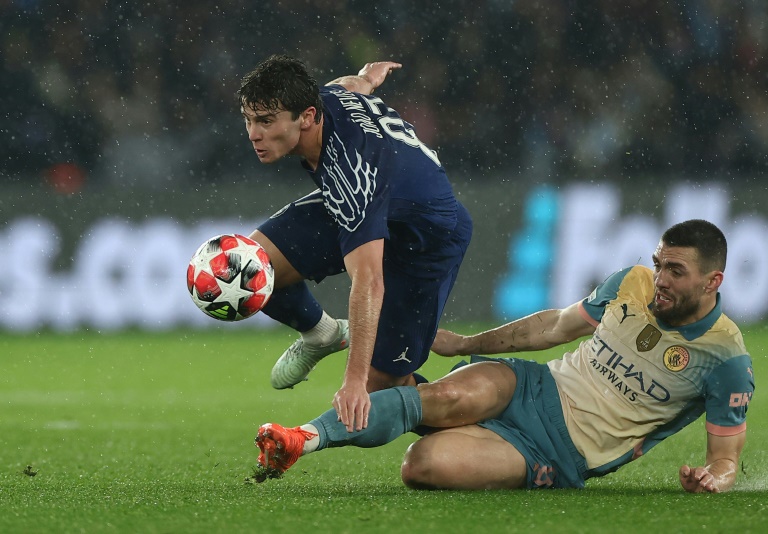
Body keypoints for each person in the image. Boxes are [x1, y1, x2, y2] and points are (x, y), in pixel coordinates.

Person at [253, 219, 754, 493]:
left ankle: (392, 371)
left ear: (713, 282)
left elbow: (726, 459)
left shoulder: (725, 356)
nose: (661, 279)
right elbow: (554, 327)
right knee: (448, 395)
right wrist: (467, 344)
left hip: (561, 453)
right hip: (537, 386)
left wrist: (714, 478)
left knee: (422, 466)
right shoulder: (631, 283)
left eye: (677, 271)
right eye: (659, 263)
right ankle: (302, 438)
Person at [236, 55, 472, 429]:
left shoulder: (350, 173)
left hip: (425, 240)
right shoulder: (328, 97)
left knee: (382, 393)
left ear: (308, 117)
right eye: (249, 119)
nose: (253, 133)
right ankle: (322, 334)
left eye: (266, 121)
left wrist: (354, 381)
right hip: (383, 204)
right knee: (245, 266)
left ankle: (474, 416)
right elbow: (350, 85)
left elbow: (369, 282)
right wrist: (367, 77)